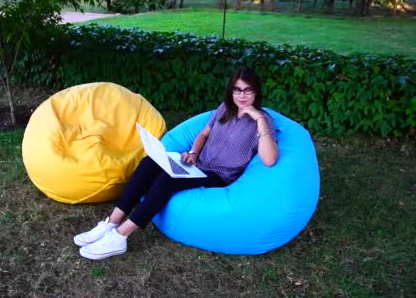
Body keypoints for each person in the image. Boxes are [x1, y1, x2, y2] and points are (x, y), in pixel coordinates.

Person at [73, 66, 279, 260]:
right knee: (149, 162)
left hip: (219, 176)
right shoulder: (225, 108)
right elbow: (205, 133)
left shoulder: (263, 121)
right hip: (197, 164)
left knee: (168, 178)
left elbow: (269, 160)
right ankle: (111, 222)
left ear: (256, 92)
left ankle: (120, 236)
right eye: (237, 90)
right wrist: (193, 152)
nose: (241, 96)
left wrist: (258, 119)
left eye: (247, 90)